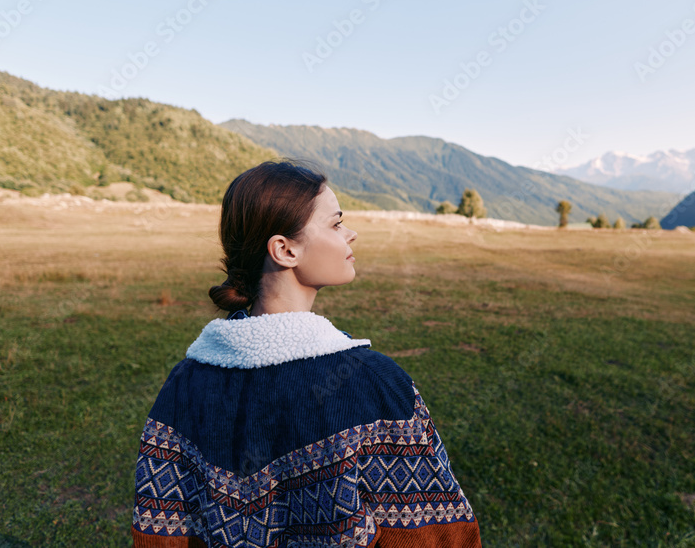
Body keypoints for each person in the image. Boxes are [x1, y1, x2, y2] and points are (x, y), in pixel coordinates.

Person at [131, 159, 482, 547]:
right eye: (335, 224)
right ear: (284, 250)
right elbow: (437, 537)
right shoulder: (375, 387)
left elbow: (161, 531)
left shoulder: (183, 384)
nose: (351, 234)